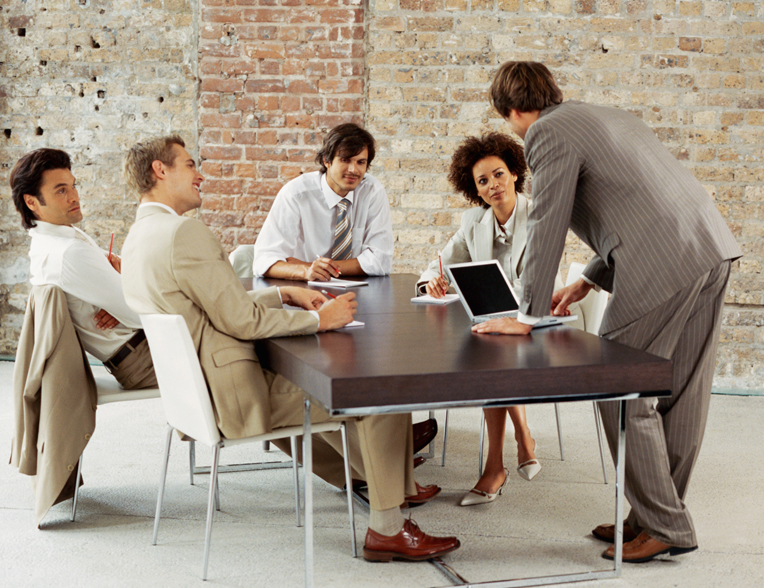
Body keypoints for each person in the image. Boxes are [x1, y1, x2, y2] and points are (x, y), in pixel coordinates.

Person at [120, 135, 459, 562]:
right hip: (235, 398)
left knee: (320, 384)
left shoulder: (139, 236)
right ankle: (388, 529)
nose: (199, 174)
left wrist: (283, 294)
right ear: (160, 170)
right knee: (377, 390)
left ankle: (370, 480)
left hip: (196, 396)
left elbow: (213, 307)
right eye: (190, 165)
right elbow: (240, 321)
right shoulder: (184, 233)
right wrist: (321, 320)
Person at [478, 61, 742, 563]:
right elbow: (643, 203)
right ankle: (655, 516)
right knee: (678, 393)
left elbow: (548, 220)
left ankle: (664, 524)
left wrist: (527, 315)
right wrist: (590, 277)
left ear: (511, 110)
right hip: (710, 250)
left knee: (617, 387)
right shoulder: (609, 116)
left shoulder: (547, 133)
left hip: (662, 266)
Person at [416, 133, 564, 506]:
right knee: (491, 351)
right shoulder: (474, 221)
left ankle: (498, 464)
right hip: (498, 327)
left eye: (499, 174)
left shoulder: (541, 215)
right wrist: (432, 282)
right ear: (476, 191)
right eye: (483, 181)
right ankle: (520, 439)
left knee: (491, 355)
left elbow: (542, 284)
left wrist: (508, 310)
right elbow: (441, 263)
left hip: (540, 322)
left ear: (514, 173)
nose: (493, 185)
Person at [10, 148, 157, 390]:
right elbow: (143, 312)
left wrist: (123, 295)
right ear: (31, 202)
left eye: (73, 186)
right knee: (224, 351)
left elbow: (129, 285)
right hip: (144, 357)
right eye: (61, 190)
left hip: (141, 348)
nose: (74, 197)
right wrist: (126, 299)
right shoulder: (68, 253)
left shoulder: (53, 241)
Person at [252, 123, 393, 281]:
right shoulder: (296, 194)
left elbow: (380, 261)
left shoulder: (372, 191)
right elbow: (263, 261)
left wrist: (311, 266)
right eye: (345, 160)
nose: (353, 170)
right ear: (327, 160)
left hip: (358, 289)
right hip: (303, 291)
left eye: (360, 162)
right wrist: (305, 272)